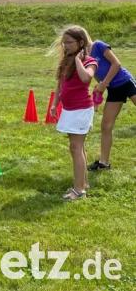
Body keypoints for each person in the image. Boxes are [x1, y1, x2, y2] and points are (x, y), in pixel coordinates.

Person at [48, 26, 98, 201]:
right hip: (69, 110)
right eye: (64, 43)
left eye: (69, 42)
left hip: (81, 109)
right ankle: (82, 183)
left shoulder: (90, 61)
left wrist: (78, 60)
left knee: (76, 147)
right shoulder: (65, 61)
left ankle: (79, 190)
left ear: (81, 43)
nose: (66, 46)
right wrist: (55, 104)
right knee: (77, 147)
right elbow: (60, 85)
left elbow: (86, 79)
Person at [86, 39, 136, 171]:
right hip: (113, 89)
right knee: (106, 126)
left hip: (125, 82)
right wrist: (99, 90)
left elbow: (116, 64)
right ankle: (104, 163)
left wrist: (104, 83)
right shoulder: (83, 58)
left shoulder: (98, 45)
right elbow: (97, 77)